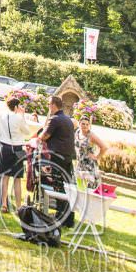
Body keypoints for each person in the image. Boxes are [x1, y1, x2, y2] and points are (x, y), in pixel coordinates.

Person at [0, 96, 36, 212]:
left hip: (4, 147)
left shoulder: (2, 115)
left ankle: (4, 204)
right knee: (17, 178)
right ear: (16, 106)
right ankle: (19, 206)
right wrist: (23, 116)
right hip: (17, 148)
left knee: (5, 177)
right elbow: (27, 132)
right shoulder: (19, 117)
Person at [39, 94, 77, 226]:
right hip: (67, 156)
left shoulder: (54, 119)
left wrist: (39, 135)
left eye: (49, 104)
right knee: (67, 186)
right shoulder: (67, 119)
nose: (48, 107)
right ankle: (68, 217)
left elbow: (44, 136)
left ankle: (61, 215)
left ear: (53, 105)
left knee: (58, 186)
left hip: (58, 156)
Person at [75, 114, 108, 187]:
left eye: (87, 124)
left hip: (89, 166)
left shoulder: (91, 135)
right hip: (80, 164)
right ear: (79, 123)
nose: (85, 126)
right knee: (80, 188)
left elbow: (104, 147)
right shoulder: (77, 133)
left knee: (89, 187)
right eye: (83, 124)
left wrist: (97, 157)